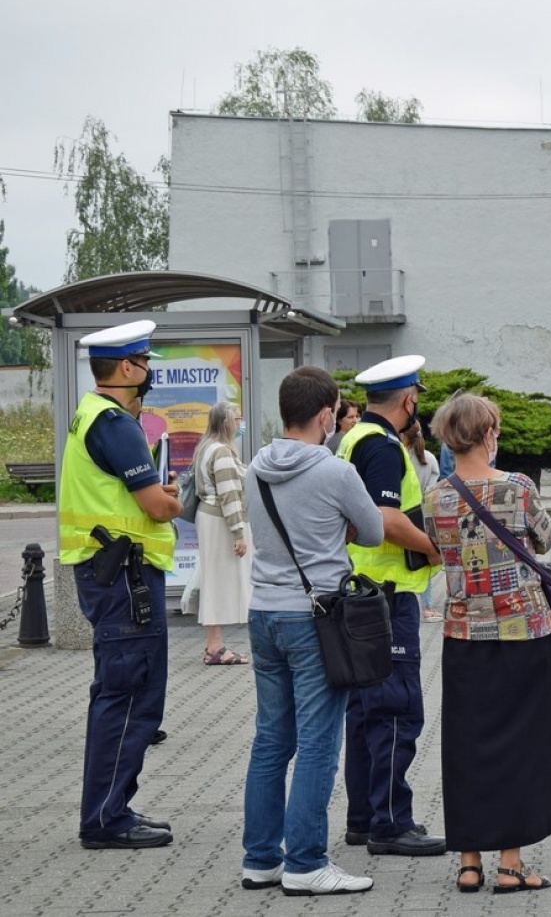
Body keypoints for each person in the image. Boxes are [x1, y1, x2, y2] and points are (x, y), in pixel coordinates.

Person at [240, 366, 386, 896]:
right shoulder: (334, 471)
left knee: (270, 741)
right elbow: (370, 530)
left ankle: (260, 859)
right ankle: (305, 862)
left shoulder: (253, 467)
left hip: (262, 614)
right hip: (317, 619)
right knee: (319, 742)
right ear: (327, 415)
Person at [422, 392, 551, 894]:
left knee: (467, 745)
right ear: (488, 434)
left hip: (464, 633)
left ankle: (469, 862)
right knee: (525, 745)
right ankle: (511, 864)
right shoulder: (519, 488)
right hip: (523, 633)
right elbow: (546, 540)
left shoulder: (436, 496)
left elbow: (439, 550)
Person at [58, 320, 182, 849]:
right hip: (124, 579)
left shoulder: (94, 415)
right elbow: (154, 505)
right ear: (128, 368)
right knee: (130, 697)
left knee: (122, 694)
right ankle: (106, 819)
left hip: (112, 574)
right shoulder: (114, 423)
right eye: (145, 362)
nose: (150, 371)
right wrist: (174, 500)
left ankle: (113, 809)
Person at [336, 355, 446, 857]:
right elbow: (383, 518)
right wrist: (430, 546)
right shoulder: (381, 446)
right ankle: (390, 822)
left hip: (362, 589)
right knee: (395, 709)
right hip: (387, 593)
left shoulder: (352, 439)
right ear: (408, 400)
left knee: (363, 712)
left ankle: (364, 818)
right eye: (416, 398)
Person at [195, 400, 253, 665]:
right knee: (217, 582)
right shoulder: (222, 452)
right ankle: (215, 647)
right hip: (220, 521)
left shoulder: (206, 448)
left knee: (212, 579)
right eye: (237, 419)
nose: (241, 423)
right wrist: (239, 532)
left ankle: (214, 645)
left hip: (209, 517)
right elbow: (229, 494)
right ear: (227, 422)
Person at [401, 420, 443, 620]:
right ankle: (427, 607)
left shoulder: (399, 456)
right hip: (423, 514)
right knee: (424, 561)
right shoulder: (429, 459)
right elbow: (431, 490)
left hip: (400, 513)